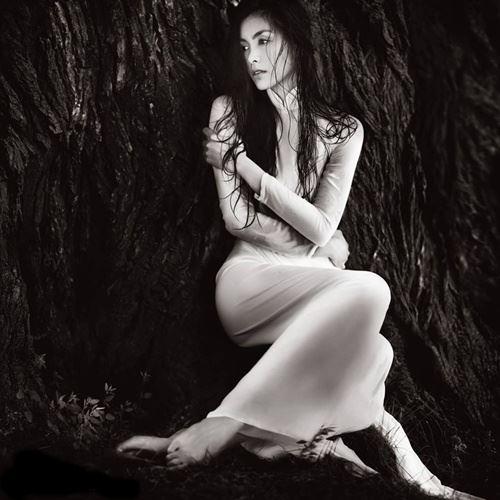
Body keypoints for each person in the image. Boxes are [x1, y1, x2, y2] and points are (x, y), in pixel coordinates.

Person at [116, 2, 482, 498]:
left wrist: (243, 167)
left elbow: (323, 223)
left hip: (313, 289)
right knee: (371, 289)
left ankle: (421, 485)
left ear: (297, 42)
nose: (252, 58)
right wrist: (318, 243)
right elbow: (238, 220)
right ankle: (222, 424)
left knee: (377, 351)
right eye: (245, 46)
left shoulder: (343, 130)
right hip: (249, 283)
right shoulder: (229, 110)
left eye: (264, 41)